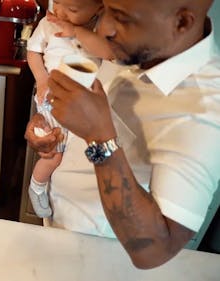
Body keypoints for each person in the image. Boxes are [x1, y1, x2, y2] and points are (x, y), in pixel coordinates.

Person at [25, 0, 220, 269]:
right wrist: (45, 123)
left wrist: (99, 138)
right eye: (105, 9)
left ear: (182, 22)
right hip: (60, 219)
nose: (103, 28)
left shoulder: (205, 109)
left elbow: (154, 250)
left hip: (100, 258)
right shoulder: (131, 48)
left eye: (122, 17)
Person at [26, 0, 113, 218]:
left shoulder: (100, 29)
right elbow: (33, 51)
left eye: (72, 10)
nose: (61, 12)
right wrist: (42, 79)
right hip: (52, 96)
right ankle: (37, 186)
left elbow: (107, 51)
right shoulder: (49, 23)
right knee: (54, 154)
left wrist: (75, 31)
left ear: (99, 8)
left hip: (82, 103)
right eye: (58, 2)